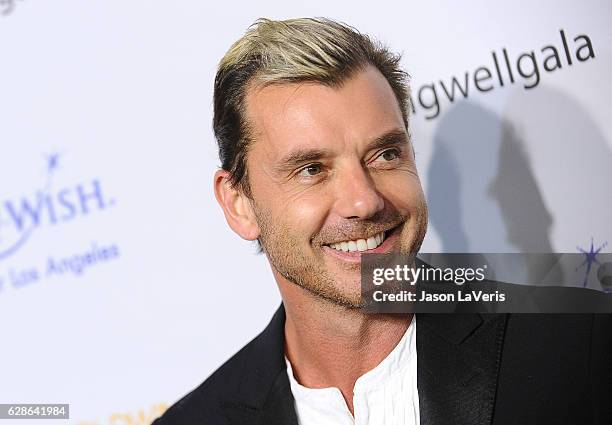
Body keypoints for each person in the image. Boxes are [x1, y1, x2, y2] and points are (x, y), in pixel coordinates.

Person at [154, 18, 611, 425]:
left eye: (386, 154)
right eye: (312, 169)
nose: (364, 201)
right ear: (239, 204)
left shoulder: (579, 343)